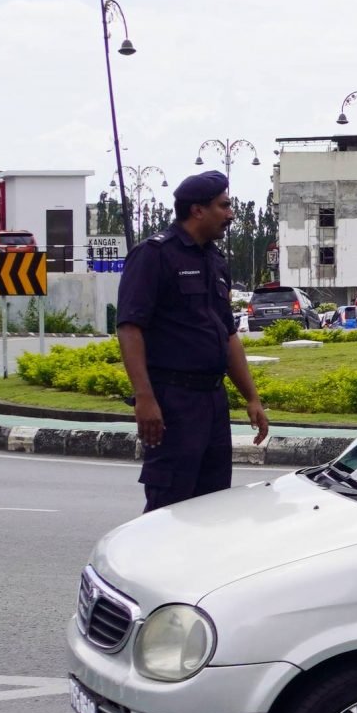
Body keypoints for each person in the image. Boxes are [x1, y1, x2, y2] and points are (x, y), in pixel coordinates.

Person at [117, 170, 269, 510]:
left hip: (213, 400)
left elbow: (227, 333)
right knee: (169, 504)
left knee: (212, 504)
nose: (231, 214)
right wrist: (145, 398)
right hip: (173, 401)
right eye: (224, 206)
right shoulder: (154, 255)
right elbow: (130, 327)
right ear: (198, 210)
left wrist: (251, 397)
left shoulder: (214, 260)